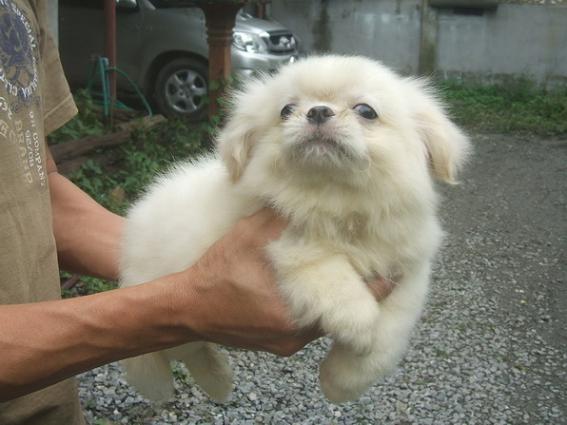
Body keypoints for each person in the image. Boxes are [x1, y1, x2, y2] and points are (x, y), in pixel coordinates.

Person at [0, 1, 393, 424]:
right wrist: (180, 305)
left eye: (364, 111)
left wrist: (169, 264)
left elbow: (32, 180)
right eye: (288, 111)